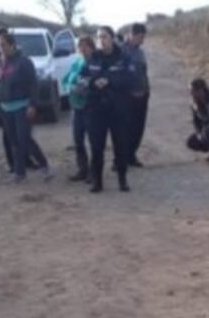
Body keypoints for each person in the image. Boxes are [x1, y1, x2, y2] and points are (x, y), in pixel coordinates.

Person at [0, 29, 51, 182]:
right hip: (5, 107)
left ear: (12, 45)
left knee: (24, 139)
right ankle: (19, 173)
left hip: (22, 106)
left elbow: (33, 85)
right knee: (14, 141)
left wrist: (32, 105)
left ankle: (44, 164)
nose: (1, 49)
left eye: (4, 45)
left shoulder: (24, 62)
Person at [81, 26, 134, 193]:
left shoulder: (123, 58)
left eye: (104, 37)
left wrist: (110, 81)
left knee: (120, 146)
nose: (101, 41)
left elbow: (131, 79)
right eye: (98, 38)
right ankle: (98, 182)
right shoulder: (92, 59)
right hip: (96, 110)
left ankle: (122, 180)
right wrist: (91, 83)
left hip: (118, 110)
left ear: (112, 38)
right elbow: (81, 79)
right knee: (96, 147)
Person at [62, 35, 96, 181]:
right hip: (77, 107)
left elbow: (87, 86)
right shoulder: (77, 62)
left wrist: (75, 86)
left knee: (94, 141)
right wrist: (74, 86)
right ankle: (83, 169)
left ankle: (94, 172)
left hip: (91, 106)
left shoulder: (95, 63)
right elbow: (65, 81)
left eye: (85, 46)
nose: (81, 49)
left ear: (91, 47)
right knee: (78, 140)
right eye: (79, 46)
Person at [121, 22, 150, 167]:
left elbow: (144, 73)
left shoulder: (140, 52)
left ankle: (131, 156)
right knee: (125, 130)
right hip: (127, 98)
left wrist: (146, 91)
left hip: (142, 95)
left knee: (138, 129)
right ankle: (120, 159)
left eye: (144, 37)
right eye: (141, 37)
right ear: (132, 35)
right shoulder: (121, 51)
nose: (142, 40)